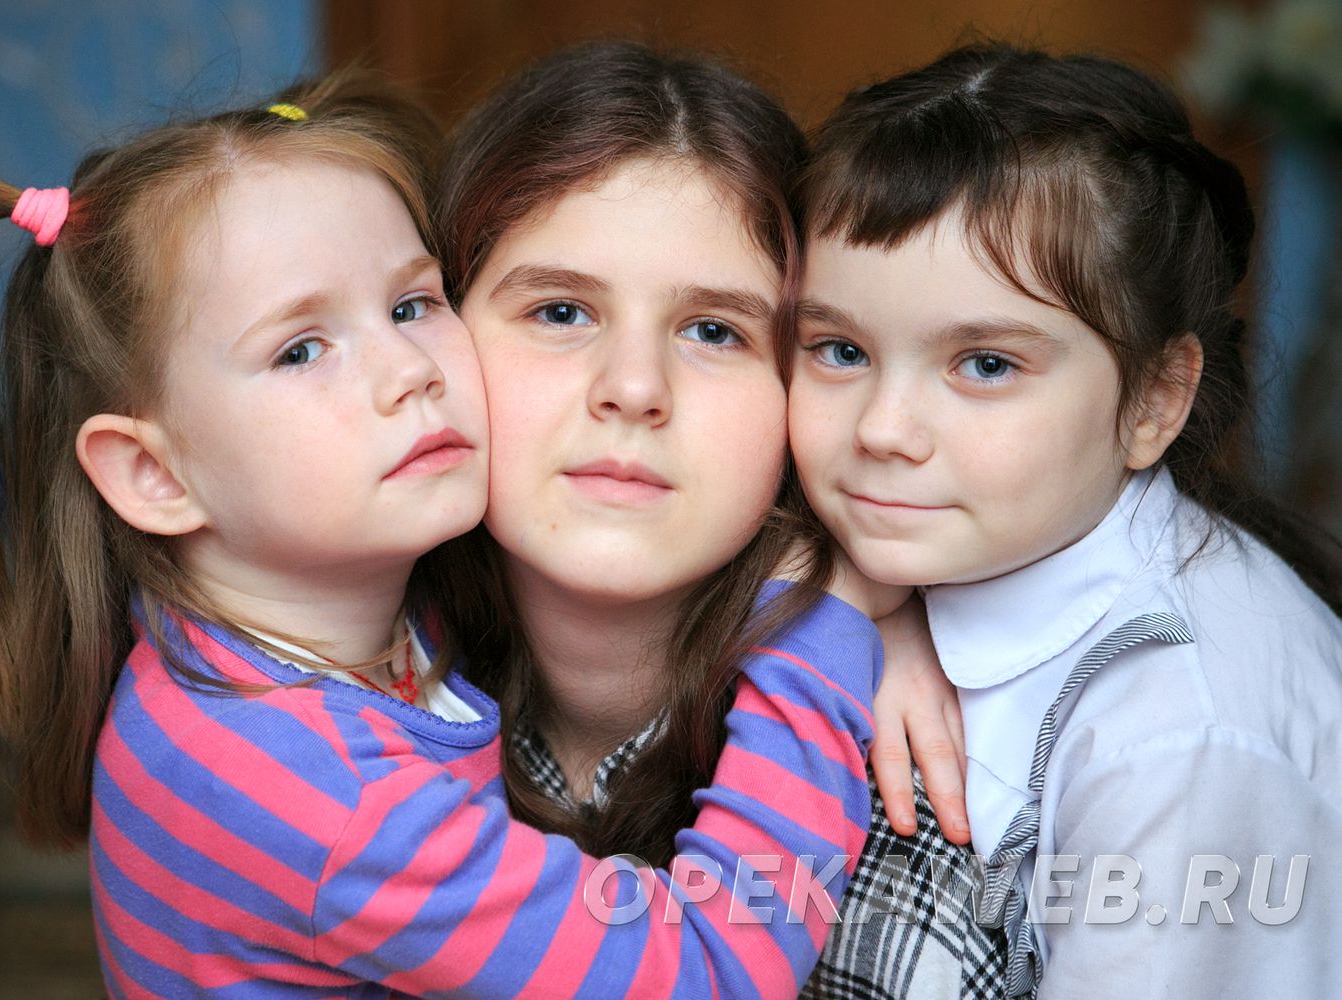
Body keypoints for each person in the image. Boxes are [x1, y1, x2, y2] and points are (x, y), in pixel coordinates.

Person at [0, 70, 885, 997]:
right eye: (302, 349)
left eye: (413, 304)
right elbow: (703, 971)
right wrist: (830, 624)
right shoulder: (312, 788)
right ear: (154, 475)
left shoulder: (292, 600)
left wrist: (926, 618)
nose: (408, 371)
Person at [429, 41, 1007, 999]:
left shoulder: (906, 833)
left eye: (714, 331)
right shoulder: (341, 710)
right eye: (561, 311)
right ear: (435, 335)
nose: (633, 388)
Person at [790, 43, 1342, 998]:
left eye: (986, 365)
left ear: (1154, 401)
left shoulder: (1176, 739)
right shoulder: (960, 540)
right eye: (839, 350)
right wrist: (864, 607)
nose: (881, 430)